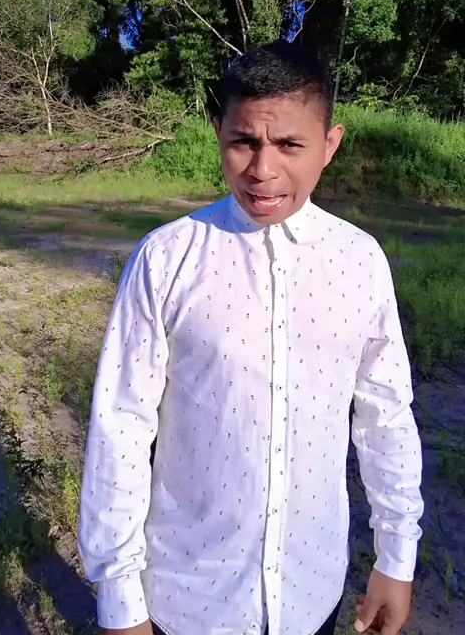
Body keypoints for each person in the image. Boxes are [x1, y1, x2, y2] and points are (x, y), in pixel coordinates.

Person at [78, 42, 423, 635]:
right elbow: (122, 425)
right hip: (189, 599)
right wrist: (118, 597)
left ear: (329, 145)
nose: (263, 169)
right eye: (243, 142)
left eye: (289, 145)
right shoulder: (166, 259)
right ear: (218, 133)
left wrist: (397, 555)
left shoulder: (361, 262)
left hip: (310, 592)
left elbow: (385, 415)